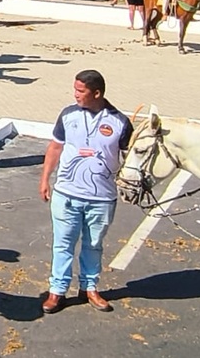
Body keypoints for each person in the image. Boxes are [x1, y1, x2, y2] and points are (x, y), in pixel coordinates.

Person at [39, 70, 132, 314]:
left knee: (93, 245)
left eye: (81, 91)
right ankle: (57, 291)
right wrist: (45, 178)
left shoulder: (120, 122)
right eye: (75, 89)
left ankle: (89, 288)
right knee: (63, 244)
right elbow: (55, 147)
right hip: (67, 194)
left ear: (97, 93)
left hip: (101, 199)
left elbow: (130, 157)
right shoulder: (68, 115)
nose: (75, 95)